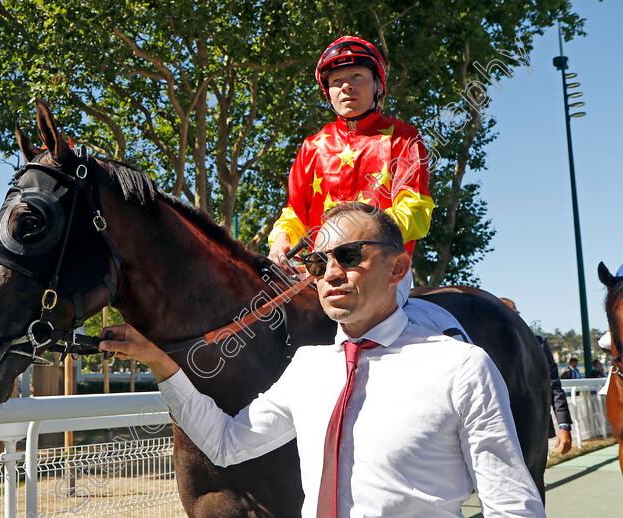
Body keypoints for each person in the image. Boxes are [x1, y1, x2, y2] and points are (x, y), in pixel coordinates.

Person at [101, 203, 543, 517]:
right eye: (317, 263)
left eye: (349, 257)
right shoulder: (308, 367)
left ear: (398, 268)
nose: (331, 273)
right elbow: (226, 443)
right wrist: (159, 362)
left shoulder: (463, 366)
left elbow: (511, 505)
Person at [267, 35, 434, 308]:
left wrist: (356, 240)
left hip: (381, 273)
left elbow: (415, 210)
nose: (346, 86)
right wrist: (282, 239)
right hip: (320, 273)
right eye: (336, 81)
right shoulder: (311, 147)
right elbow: (295, 214)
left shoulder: (403, 138)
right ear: (328, 93)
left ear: (378, 85)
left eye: (357, 76)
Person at [499, 297, 572, 454]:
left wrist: (564, 426)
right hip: (501, 431)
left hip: (536, 431)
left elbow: (554, 385)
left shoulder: (538, 343)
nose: (514, 318)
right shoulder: (482, 348)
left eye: (515, 313)